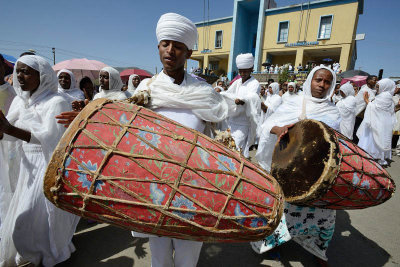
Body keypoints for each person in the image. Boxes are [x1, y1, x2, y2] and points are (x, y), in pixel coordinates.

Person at [253, 66, 340, 265]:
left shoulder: (333, 111)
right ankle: (276, 244)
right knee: (284, 211)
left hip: (319, 172)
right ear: (310, 80)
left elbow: (340, 142)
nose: (322, 85)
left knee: (325, 215)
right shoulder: (293, 103)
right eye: (318, 80)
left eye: (327, 82)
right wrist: (279, 130)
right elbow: (267, 126)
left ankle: (318, 251)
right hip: (291, 170)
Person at [0, 55, 79, 266]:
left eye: (26, 72)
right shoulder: (19, 100)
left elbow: (52, 138)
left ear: (41, 76)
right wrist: (3, 132)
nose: (20, 76)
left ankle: (48, 253)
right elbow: (11, 132)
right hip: (26, 165)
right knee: (30, 215)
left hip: (46, 162)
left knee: (38, 213)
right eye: (18, 71)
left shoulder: (57, 101)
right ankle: (34, 253)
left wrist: (9, 129)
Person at [222, 53, 261, 158]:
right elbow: (229, 93)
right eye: (241, 71)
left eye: (245, 71)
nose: (243, 73)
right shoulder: (237, 82)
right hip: (231, 121)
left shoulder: (255, 83)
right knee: (227, 146)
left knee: (237, 148)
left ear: (251, 69)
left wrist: (242, 100)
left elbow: (253, 98)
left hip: (243, 124)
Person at [357, 78, 397, 166]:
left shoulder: (384, 96)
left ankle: (373, 156)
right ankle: (375, 156)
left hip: (378, 123)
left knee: (374, 139)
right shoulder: (386, 95)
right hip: (381, 121)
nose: (377, 88)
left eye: (379, 87)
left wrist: (366, 100)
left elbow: (376, 108)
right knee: (377, 139)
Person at [353, 75, 377, 142]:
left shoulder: (373, 91)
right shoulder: (365, 90)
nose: (375, 82)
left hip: (366, 115)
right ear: (368, 81)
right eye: (374, 80)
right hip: (359, 114)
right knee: (356, 132)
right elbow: (359, 103)